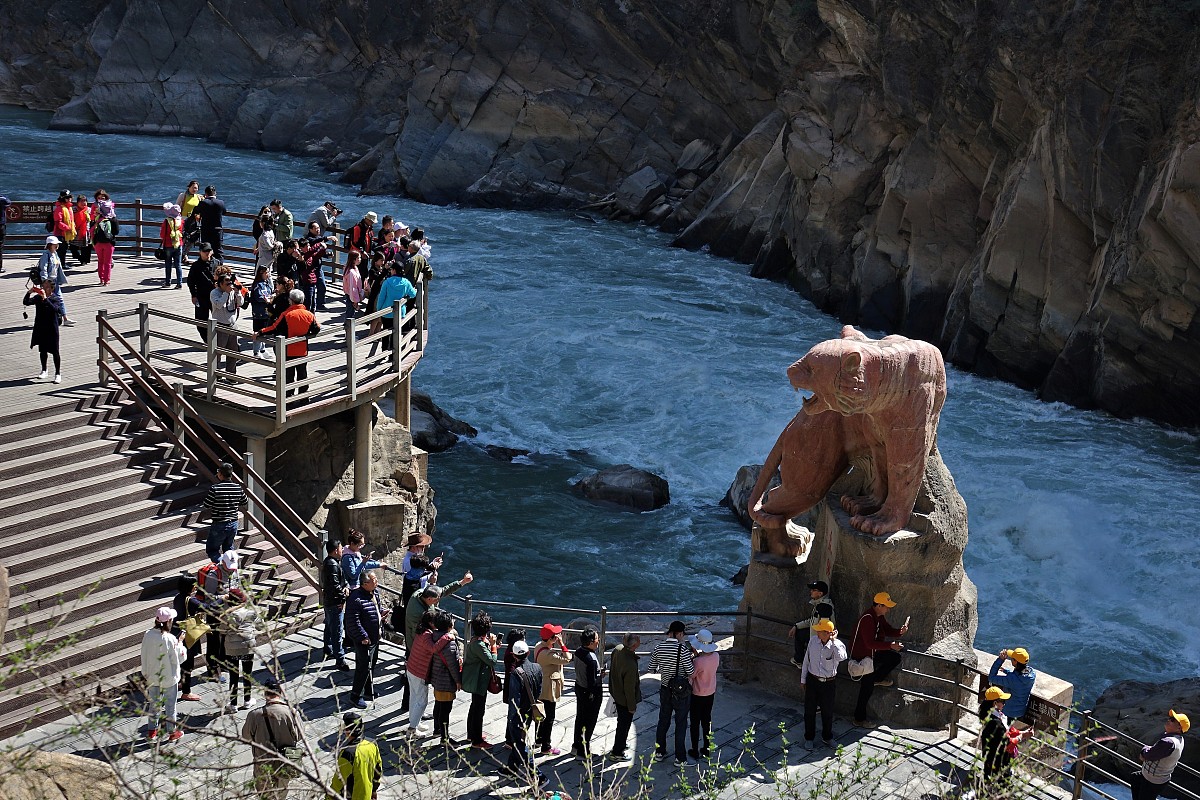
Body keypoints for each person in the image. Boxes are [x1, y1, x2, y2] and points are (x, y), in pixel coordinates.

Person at [850, 591, 908, 727]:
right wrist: (890, 645)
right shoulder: (868, 619)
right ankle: (859, 719)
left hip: (872, 654)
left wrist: (900, 632)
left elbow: (887, 630)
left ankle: (877, 678)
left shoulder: (878, 616)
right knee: (866, 689)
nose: (888, 609)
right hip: (864, 657)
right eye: (886, 606)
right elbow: (869, 643)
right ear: (879, 605)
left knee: (894, 658)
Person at [241, 677, 302, 800]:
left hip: (263, 762)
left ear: (264, 693)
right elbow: (300, 736)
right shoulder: (292, 712)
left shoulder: (254, 715)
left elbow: (246, 736)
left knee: (265, 795)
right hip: (286, 761)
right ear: (280, 692)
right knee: (281, 793)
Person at [254, 290, 320, 401]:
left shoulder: (287, 315)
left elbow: (274, 328)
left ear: (291, 301)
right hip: (302, 350)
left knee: (289, 376)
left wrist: (260, 332)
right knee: (302, 373)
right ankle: (304, 397)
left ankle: (288, 399)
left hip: (288, 350)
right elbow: (316, 329)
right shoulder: (309, 315)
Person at [648, 620, 695, 765]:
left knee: (663, 721)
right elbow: (691, 672)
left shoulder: (658, 647)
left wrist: (664, 669)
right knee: (680, 723)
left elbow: (651, 669)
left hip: (665, 689)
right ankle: (680, 758)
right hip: (680, 692)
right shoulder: (683, 649)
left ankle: (659, 752)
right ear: (680, 633)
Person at [505, 640, 548, 786]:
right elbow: (539, 690)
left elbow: (514, 700)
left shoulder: (516, 673)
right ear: (528, 652)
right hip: (530, 710)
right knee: (519, 741)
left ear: (513, 655)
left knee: (520, 744)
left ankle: (539, 776)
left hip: (519, 714)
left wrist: (511, 718)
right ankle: (511, 769)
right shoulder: (537, 667)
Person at [140, 607, 186, 742]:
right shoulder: (170, 638)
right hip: (168, 678)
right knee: (171, 706)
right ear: (169, 621)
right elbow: (179, 657)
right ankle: (172, 733)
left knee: (154, 704)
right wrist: (180, 643)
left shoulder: (148, 635)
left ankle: (151, 732)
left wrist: (145, 672)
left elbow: (144, 654)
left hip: (152, 676)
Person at [801, 618, 846, 750]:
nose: (817, 633)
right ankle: (809, 737)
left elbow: (842, 657)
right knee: (809, 711)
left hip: (828, 683)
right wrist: (803, 679)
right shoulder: (813, 641)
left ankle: (827, 737)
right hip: (812, 680)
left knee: (827, 711)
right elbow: (806, 660)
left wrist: (834, 641)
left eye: (820, 631)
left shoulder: (837, 645)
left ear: (827, 633)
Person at [976, 685, 1031, 790]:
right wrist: (1023, 736)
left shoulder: (989, 715)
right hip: (998, 760)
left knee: (990, 779)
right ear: (995, 703)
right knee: (1000, 785)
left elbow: (1006, 732)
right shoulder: (996, 723)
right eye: (1002, 701)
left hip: (990, 756)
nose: (1005, 703)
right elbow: (1008, 742)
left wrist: (1022, 732)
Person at [199, 550, 241, 686]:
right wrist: (223, 597)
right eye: (228, 568)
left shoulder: (234, 571)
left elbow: (237, 586)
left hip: (229, 612)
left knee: (225, 639)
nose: (231, 571)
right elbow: (208, 598)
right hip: (215, 614)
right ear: (222, 562)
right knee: (213, 643)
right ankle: (213, 672)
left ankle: (223, 664)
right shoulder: (213, 575)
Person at [1132, 710, 1190, 800]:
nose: (1168, 720)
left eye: (1172, 720)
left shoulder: (1168, 742)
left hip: (1152, 780)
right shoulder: (1179, 739)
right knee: (1135, 777)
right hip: (1158, 778)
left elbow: (1149, 755)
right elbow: (1157, 751)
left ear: (1179, 728)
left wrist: (1144, 750)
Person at [345, 570, 383, 709]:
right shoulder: (356, 599)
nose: (376, 581)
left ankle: (368, 690)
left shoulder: (374, 593)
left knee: (371, 665)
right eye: (374, 580)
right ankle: (356, 696)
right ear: (365, 583)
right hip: (364, 640)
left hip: (374, 637)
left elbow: (376, 608)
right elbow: (352, 621)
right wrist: (362, 636)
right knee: (362, 667)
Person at [533, 623, 572, 756]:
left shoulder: (539, 646)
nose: (558, 637)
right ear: (551, 639)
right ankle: (546, 746)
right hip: (548, 688)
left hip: (541, 685)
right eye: (555, 636)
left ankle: (538, 739)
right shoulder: (548, 654)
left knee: (540, 714)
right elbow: (567, 658)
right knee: (549, 717)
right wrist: (562, 644)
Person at [462, 611, 499, 749]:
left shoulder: (476, 641)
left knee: (474, 707)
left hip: (476, 679)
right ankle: (476, 741)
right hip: (478, 682)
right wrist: (494, 646)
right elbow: (492, 661)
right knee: (478, 710)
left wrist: (491, 646)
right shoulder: (479, 645)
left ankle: (472, 734)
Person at [222, 587, 260, 713]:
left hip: (232, 649)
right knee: (247, 674)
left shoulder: (228, 614)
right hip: (248, 647)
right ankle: (247, 700)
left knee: (233, 676)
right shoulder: (251, 611)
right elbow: (260, 625)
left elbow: (222, 630)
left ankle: (233, 705)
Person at [428, 610, 463, 745]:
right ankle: (444, 737)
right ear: (449, 625)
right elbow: (453, 666)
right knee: (445, 710)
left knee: (438, 705)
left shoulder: (434, 637)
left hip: (436, 678)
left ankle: (437, 730)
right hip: (446, 681)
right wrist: (458, 681)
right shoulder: (449, 643)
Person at [605, 633, 642, 761]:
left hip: (616, 692)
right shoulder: (630, 664)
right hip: (625, 700)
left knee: (621, 723)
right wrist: (632, 706)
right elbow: (629, 689)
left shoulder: (617, 649)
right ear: (635, 645)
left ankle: (620, 744)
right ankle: (617, 752)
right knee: (624, 725)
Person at [202, 462, 246, 563]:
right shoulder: (238, 488)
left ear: (220, 474)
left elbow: (206, 504)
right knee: (229, 549)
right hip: (233, 523)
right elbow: (244, 501)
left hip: (219, 523)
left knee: (212, 550)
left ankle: (222, 567)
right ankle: (231, 570)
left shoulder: (215, 488)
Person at [332, 711, 382, 800]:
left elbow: (338, 781)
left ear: (347, 731)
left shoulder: (348, 753)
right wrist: (374, 790)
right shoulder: (372, 743)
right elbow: (378, 769)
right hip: (367, 794)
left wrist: (328, 797)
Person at [571, 626, 605, 759]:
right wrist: (600, 676)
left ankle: (576, 746)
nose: (598, 641)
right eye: (597, 639)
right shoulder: (590, 659)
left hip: (579, 687)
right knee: (589, 722)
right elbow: (592, 683)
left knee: (580, 718)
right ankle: (583, 751)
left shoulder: (578, 651)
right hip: (590, 694)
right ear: (591, 642)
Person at [171, 574, 205, 702]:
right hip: (187, 634)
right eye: (194, 586)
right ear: (189, 587)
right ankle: (186, 692)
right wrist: (221, 599)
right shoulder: (191, 600)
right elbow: (207, 608)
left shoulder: (177, 598)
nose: (196, 587)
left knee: (180, 661)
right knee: (188, 663)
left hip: (176, 632)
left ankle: (180, 683)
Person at [23, 280, 64, 383]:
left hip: (52, 327)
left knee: (55, 351)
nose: (44, 289)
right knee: (43, 350)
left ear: (51, 289)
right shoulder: (38, 298)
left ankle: (58, 373)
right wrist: (29, 292)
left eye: (47, 287)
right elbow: (26, 302)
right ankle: (44, 370)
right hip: (41, 327)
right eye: (43, 287)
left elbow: (54, 309)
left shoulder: (55, 298)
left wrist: (45, 298)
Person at [688, 628, 720, 759]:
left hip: (697, 694)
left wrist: (694, 657)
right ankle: (707, 748)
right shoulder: (716, 656)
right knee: (707, 721)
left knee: (695, 722)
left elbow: (691, 675)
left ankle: (694, 749)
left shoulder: (698, 662)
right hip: (710, 692)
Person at [789, 580, 834, 668]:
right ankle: (799, 660)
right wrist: (796, 626)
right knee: (800, 633)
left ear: (820, 593)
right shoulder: (819, 605)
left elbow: (826, 628)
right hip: (815, 638)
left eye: (814, 590)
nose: (811, 591)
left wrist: (818, 644)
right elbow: (812, 621)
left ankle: (800, 661)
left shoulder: (825, 607)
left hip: (819, 641)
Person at [374, 261, 416, 351]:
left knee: (386, 332)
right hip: (400, 313)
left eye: (391, 269)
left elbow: (381, 297)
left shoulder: (387, 282)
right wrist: (406, 296)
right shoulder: (406, 282)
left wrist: (379, 310)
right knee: (396, 333)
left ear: (394, 270)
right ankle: (393, 354)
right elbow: (413, 294)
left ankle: (384, 351)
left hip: (387, 312)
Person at [322, 540, 351, 670]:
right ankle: (340, 659)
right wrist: (343, 597)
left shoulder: (330, 562)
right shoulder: (332, 565)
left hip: (329, 600)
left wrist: (345, 588)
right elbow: (334, 585)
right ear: (335, 551)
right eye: (340, 549)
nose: (342, 551)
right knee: (337, 630)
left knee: (329, 625)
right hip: (335, 602)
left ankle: (328, 648)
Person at [988, 647, 1036, 724]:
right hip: (1021, 711)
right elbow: (1019, 677)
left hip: (1008, 712)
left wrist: (1000, 660)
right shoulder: (1032, 673)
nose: (1010, 659)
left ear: (1015, 662)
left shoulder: (1011, 679)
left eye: (1012, 658)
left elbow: (991, 678)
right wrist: (1006, 671)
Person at [210, 270, 244, 376]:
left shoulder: (232, 291)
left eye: (230, 283)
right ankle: (217, 375)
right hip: (220, 326)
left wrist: (238, 292)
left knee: (233, 352)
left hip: (232, 326)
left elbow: (241, 303)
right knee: (218, 353)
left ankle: (231, 375)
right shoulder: (214, 293)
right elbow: (219, 305)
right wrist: (226, 293)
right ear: (220, 284)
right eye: (226, 283)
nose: (229, 285)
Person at [38, 235, 74, 327]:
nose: (57, 246)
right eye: (55, 244)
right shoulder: (45, 255)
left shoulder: (55, 254)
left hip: (55, 281)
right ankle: (45, 320)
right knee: (46, 301)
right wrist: (45, 281)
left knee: (59, 299)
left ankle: (65, 318)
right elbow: (43, 268)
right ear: (50, 245)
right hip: (48, 282)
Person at [187, 243, 219, 342]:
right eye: (205, 251)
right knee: (200, 322)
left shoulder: (217, 263)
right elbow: (190, 282)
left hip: (216, 296)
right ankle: (208, 341)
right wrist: (193, 295)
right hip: (202, 296)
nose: (207, 253)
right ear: (200, 252)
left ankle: (218, 341)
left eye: (209, 251)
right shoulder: (196, 266)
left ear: (212, 251)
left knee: (219, 320)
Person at [400, 533, 442, 605]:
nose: (423, 548)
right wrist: (432, 576)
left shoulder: (413, 559)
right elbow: (417, 578)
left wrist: (433, 565)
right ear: (414, 547)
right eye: (421, 546)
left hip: (418, 592)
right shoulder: (409, 561)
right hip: (416, 595)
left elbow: (420, 571)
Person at [91, 199, 118, 287]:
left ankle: (101, 279)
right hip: (109, 243)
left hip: (98, 242)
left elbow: (92, 229)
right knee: (107, 262)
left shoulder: (97, 218)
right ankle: (107, 280)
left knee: (100, 261)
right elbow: (116, 231)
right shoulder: (112, 219)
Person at [249, 265, 274, 357]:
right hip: (259, 312)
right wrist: (266, 299)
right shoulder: (257, 285)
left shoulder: (266, 283)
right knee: (258, 332)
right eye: (266, 273)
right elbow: (258, 297)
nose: (268, 274)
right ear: (261, 273)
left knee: (264, 331)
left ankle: (262, 349)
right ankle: (256, 352)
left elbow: (270, 292)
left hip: (266, 312)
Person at [197, 185, 226, 259]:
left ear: (205, 194)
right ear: (215, 193)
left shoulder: (203, 203)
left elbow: (196, 211)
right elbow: (224, 212)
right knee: (218, 251)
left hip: (206, 230)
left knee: (205, 249)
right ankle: (219, 268)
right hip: (217, 230)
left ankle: (206, 267)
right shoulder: (220, 203)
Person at [160, 203, 184, 289]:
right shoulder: (181, 221)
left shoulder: (167, 221)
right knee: (178, 265)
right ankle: (179, 283)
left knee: (168, 264)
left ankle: (168, 282)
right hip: (178, 244)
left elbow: (162, 235)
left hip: (168, 245)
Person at [346, 211, 376, 278]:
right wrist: (362, 252)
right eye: (372, 221)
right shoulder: (357, 228)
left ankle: (360, 288)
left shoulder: (369, 229)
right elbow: (354, 242)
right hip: (357, 256)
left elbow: (371, 242)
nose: (373, 223)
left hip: (365, 255)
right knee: (356, 274)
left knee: (364, 274)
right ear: (367, 220)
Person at [254, 210, 281, 274]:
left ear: (263, 223)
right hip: (270, 256)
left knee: (258, 273)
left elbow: (269, 246)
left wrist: (275, 246)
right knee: (268, 274)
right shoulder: (270, 231)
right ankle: (270, 284)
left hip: (264, 257)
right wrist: (258, 249)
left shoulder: (265, 234)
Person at [69, 193, 92, 267]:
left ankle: (84, 260)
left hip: (86, 231)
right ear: (77, 202)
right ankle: (79, 257)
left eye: (85, 201)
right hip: (75, 231)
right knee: (73, 247)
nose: (83, 203)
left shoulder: (89, 210)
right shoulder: (73, 210)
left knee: (85, 247)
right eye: (81, 201)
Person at [51, 190, 76, 255]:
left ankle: (63, 264)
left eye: (70, 197)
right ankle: (61, 264)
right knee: (60, 250)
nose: (69, 199)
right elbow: (58, 222)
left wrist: (73, 226)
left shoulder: (69, 207)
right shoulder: (59, 208)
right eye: (67, 198)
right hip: (60, 233)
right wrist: (68, 228)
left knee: (64, 249)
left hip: (66, 233)